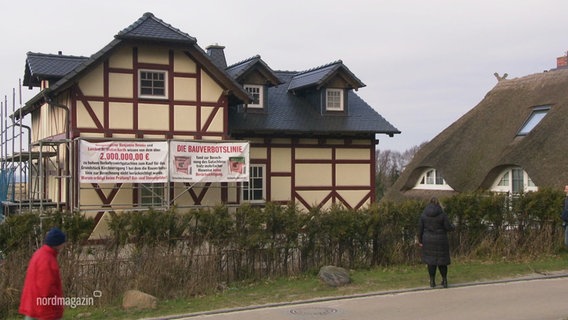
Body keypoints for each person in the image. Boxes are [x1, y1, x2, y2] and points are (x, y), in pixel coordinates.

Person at [19, 227, 67, 320]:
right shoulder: (48, 260)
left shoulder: (39, 254)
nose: (64, 245)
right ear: (56, 244)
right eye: (62, 242)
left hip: (33, 305)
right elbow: (46, 288)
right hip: (44, 310)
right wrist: (56, 307)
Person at [417, 197, 454, 288]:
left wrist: (420, 241)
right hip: (441, 240)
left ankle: (432, 281)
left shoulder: (423, 215)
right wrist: (453, 226)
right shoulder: (442, 214)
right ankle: (444, 280)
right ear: (438, 204)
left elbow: (420, 229)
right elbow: (448, 227)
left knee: (431, 262)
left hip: (428, 240)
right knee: (442, 262)